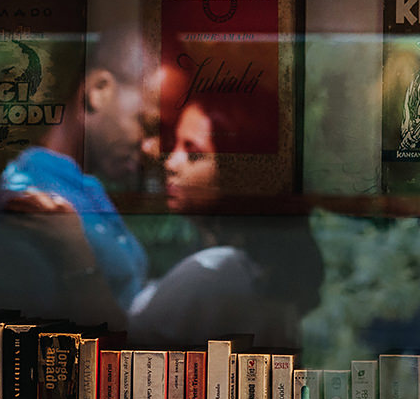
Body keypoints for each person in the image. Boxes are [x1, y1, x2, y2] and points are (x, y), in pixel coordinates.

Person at [0, 26, 156, 328]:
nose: (153, 147)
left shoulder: (85, 187)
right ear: (98, 90)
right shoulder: (31, 198)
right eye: (147, 124)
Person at [127, 97, 322, 347]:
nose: (171, 163)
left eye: (194, 154)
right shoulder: (255, 271)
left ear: (237, 175)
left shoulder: (214, 273)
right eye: (174, 144)